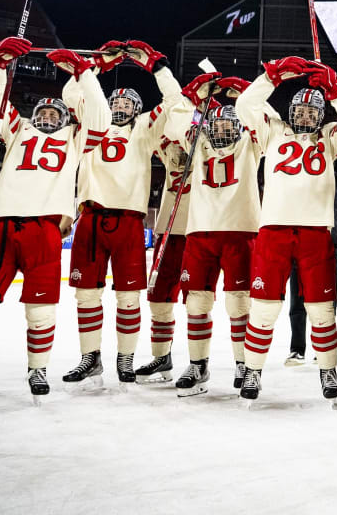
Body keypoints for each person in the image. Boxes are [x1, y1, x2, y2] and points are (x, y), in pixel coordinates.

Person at [0, 43, 110, 407]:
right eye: (44, 110)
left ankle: (38, 369)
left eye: (55, 112)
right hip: (1, 225)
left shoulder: (77, 138)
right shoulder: (18, 130)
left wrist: (84, 72)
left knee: (41, 309)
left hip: (43, 228)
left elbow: (101, 117)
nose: (49, 115)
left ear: (65, 118)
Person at [235, 56, 337, 404]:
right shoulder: (272, 129)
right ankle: (253, 371)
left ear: (321, 116)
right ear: (290, 111)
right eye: (301, 111)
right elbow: (244, 103)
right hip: (274, 230)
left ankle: (327, 371)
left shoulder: (330, 137)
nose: (306, 116)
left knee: (321, 310)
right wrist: (271, 75)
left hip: (314, 233)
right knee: (263, 308)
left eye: (313, 112)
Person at [60, 40, 181, 387]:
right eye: (117, 101)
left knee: (128, 298)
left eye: (129, 102)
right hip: (92, 217)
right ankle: (90, 357)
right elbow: (72, 93)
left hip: (128, 220)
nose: (121, 106)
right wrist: (97, 64)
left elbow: (173, 102)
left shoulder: (145, 127)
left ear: (137, 108)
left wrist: (157, 67)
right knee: (86, 294)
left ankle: (125, 359)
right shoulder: (92, 121)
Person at [162, 73, 260, 398]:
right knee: (196, 303)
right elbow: (174, 126)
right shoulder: (198, 141)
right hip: (200, 233)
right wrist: (194, 93)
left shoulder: (251, 142)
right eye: (216, 125)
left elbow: (261, 112)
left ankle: (244, 365)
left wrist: (244, 90)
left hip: (240, 232)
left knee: (239, 303)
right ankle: (198, 364)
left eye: (228, 125)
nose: (221, 129)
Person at [136, 139, 191, 383]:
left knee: (199, 302)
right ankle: (161, 357)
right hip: (169, 233)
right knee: (158, 298)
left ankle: (201, 363)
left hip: (199, 231)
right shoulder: (169, 150)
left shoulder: (209, 147)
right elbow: (162, 130)